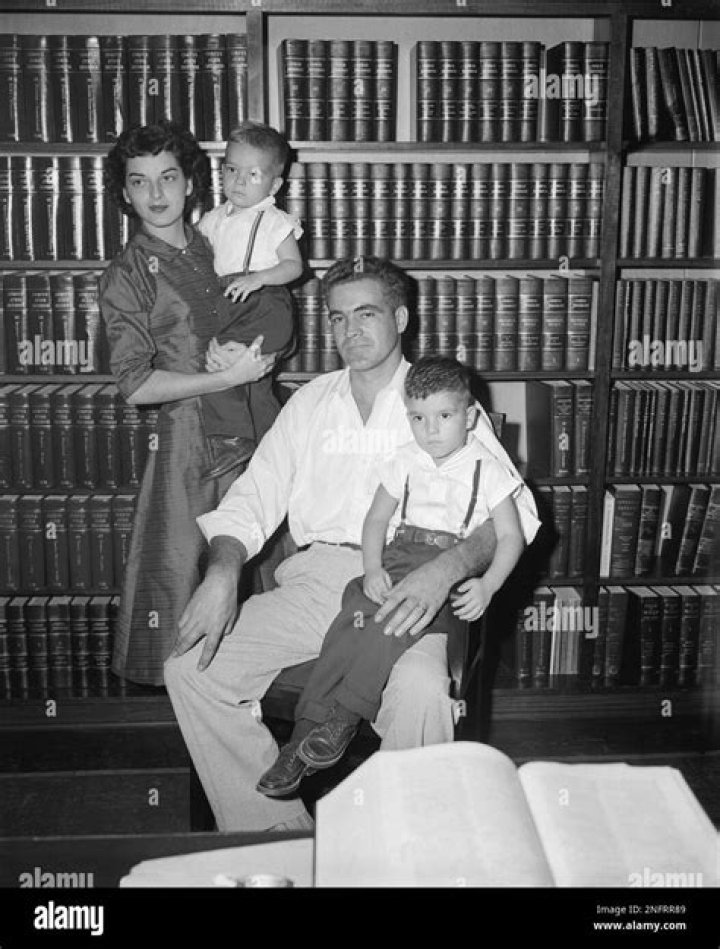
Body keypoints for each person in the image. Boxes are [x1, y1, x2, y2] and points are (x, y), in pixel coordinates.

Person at [164, 256, 540, 834]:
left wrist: (446, 570)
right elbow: (251, 499)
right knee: (191, 667)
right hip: (315, 584)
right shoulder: (311, 403)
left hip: (405, 583)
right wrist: (221, 574)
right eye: (338, 318)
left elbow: (515, 515)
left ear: (401, 318)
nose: (350, 331)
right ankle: (279, 834)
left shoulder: (438, 403)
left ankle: (405, 846)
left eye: (366, 314)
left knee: (421, 692)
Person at [256, 355, 526, 796]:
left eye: (444, 416)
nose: (431, 430)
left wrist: (489, 584)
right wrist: (372, 567)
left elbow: (512, 535)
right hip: (398, 556)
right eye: (418, 418)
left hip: (443, 573)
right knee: (349, 624)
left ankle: (342, 717)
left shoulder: (488, 470)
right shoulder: (405, 460)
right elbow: (377, 520)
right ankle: (303, 735)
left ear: (470, 417)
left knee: (388, 627)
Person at [99, 120, 278, 685]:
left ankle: (254, 695)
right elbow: (136, 385)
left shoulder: (212, 243)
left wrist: (256, 356)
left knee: (262, 564)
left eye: (168, 177)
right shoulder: (127, 273)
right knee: (183, 573)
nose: (156, 194)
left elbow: (266, 307)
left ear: (191, 183)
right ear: (124, 192)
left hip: (250, 423)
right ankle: (192, 704)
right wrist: (221, 378)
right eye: (139, 181)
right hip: (185, 446)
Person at [198, 122, 303, 480]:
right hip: (227, 301)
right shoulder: (213, 219)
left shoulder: (274, 221)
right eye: (231, 170)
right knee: (248, 381)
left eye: (253, 174)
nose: (239, 181)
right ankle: (269, 441)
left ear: (273, 185)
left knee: (226, 369)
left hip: (263, 302)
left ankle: (232, 437)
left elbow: (293, 266)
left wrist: (259, 277)